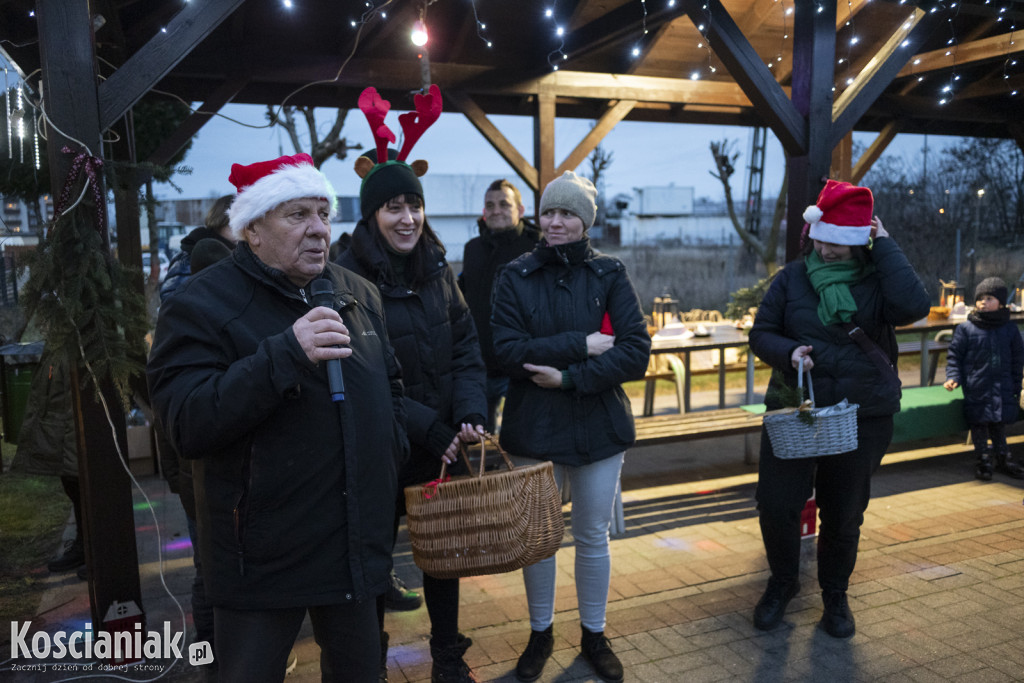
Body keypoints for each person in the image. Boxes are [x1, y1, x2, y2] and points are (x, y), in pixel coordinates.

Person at [147, 152, 407, 683]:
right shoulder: (202, 303)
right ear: (253, 229)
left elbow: (392, 388)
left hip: (355, 547)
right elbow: (186, 422)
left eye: (323, 213)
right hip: (261, 560)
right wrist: (285, 353)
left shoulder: (357, 293)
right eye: (297, 215)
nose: (318, 231)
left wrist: (394, 451)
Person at [336, 84, 486, 683]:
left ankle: (447, 659)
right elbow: (361, 373)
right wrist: (433, 428)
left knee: (442, 558)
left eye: (414, 205)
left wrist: (470, 412)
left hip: (441, 446)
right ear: (373, 214)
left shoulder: (436, 270)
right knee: (374, 563)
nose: (408, 218)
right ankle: (368, 664)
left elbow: (467, 345)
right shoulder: (345, 277)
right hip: (379, 449)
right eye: (394, 207)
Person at [747, 180, 930, 640]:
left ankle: (835, 595)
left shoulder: (879, 280)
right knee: (776, 505)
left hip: (862, 414)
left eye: (839, 242)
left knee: (844, 512)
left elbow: (914, 306)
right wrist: (788, 352)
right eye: (822, 239)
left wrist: (884, 244)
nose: (827, 249)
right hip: (796, 411)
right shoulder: (791, 278)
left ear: (859, 241)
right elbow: (761, 332)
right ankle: (782, 583)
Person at [490, 171, 651, 683]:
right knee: (538, 539)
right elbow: (508, 351)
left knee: (592, 536)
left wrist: (569, 378)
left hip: (598, 426)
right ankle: (541, 632)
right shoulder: (513, 275)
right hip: (533, 429)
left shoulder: (610, 273)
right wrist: (581, 344)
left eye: (567, 213)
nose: (556, 222)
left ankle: (594, 633)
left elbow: (634, 350)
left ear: (586, 221)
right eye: (549, 212)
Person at [154, 198, 237, 657]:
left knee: (213, 556)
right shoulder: (198, 272)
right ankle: (212, 651)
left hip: (202, 440)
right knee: (211, 559)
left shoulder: (191, 264)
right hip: (200, 443)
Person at [458, 179, 541, 432]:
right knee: (483, 440)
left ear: (521, 210)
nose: (496, 210)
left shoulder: (537, 246)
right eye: (490, 205)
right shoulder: (472, 249)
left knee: (525, 434)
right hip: (480, 361)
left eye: (504, 204)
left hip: (521, 364)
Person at [943, 277, 1024, 481]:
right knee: (979, 423)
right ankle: (983, 459)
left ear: (1001, 303)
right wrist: (954, 377)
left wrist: (1017, 383)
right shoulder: (966, 329)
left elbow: (1017, 359)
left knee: (998, 423)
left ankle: (1003, 457)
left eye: (989, 298)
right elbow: (955, 356)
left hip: (1003, 385)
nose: (983, 302)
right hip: (977, 386)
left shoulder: (1010, 329)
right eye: (980, 298)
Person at [159, 194, 237, 300]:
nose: (242, 230)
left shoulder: (236, 252)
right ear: (221, 220)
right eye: (235, 223)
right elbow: (173, 301)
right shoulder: (190, 255)